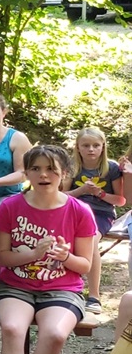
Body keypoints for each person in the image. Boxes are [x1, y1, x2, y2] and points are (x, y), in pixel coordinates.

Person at [0, 145, 98, 354]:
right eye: (35, 168)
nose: (43, 175)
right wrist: (33, 254)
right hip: (15, 286)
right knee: (12, 329)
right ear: (27, 173)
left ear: (65, 173)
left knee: (54, 335)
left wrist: (65, 257)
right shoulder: (10, 207)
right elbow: (2, 258)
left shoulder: (79, 211)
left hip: (63, 288)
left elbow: (84, 265)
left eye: (51, 169)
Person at [63, 127, 125, 313]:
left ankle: (94, 296)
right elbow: (62, 195)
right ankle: (67, 288)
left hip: (101, 213)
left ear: (103, 147)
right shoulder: (72, 166)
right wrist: (81, 191)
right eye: (86, 145)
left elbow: (120, 200)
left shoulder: (111, 168)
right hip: (74, 211)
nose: (91, 149)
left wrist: (100, 193)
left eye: (96, 145)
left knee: (90, 241)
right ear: (78, 147)